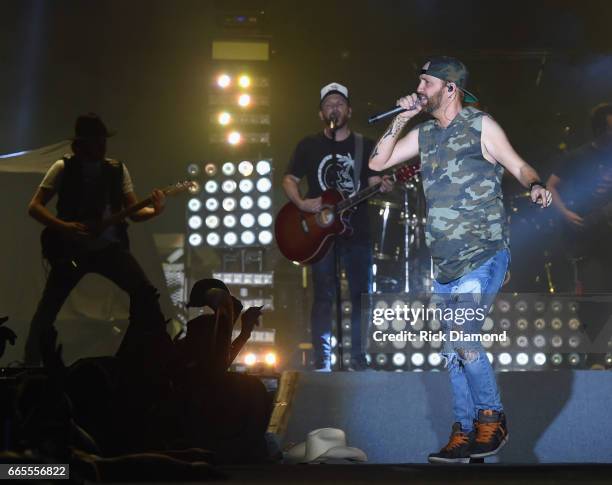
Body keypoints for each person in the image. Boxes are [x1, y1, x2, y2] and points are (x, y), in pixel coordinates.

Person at [369, 57, 552, 463]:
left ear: (449, 88)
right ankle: (465, 430)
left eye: (426, 82)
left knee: (463, 333)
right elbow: (377, 163)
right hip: (446, 263)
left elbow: (518, 163)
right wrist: (402, 117)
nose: (419, 88)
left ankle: (492, 417)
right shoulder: (426, 134)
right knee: (453, 347)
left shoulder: (481, 125)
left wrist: (535, 184)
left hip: (484, 253)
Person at [24, 113, 168, 366]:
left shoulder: (117, 169)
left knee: (145, 294)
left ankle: (145, 356)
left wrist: (155, 210)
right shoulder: (62, 168)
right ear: (80, 144)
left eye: (103, 141)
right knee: (49, 307)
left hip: (110, 250)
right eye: (95, 141)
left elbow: (134, 213)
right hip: (71, 250)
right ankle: (31, 364)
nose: (101, 147)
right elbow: (35, 207)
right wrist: (65, 227)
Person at [282, 82, 393, 372]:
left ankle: (357, 357)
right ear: (321, 114)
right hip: (320, 234)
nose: (335, 107)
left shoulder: (365, 146)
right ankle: (323, 360)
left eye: (339, 103)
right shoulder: (308, 145)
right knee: (323, 294)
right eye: (329, 104)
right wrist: (304, 204)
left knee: (360, 295)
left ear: (349, 110)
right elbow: (289, 179)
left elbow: (371, 183)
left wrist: (382, 185)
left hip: (357, 232)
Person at [546, 102, 612, 293]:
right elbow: (550, 186)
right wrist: (565, 213)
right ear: (601, 131)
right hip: (588, 234)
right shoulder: (578, 156)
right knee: (594, 289)